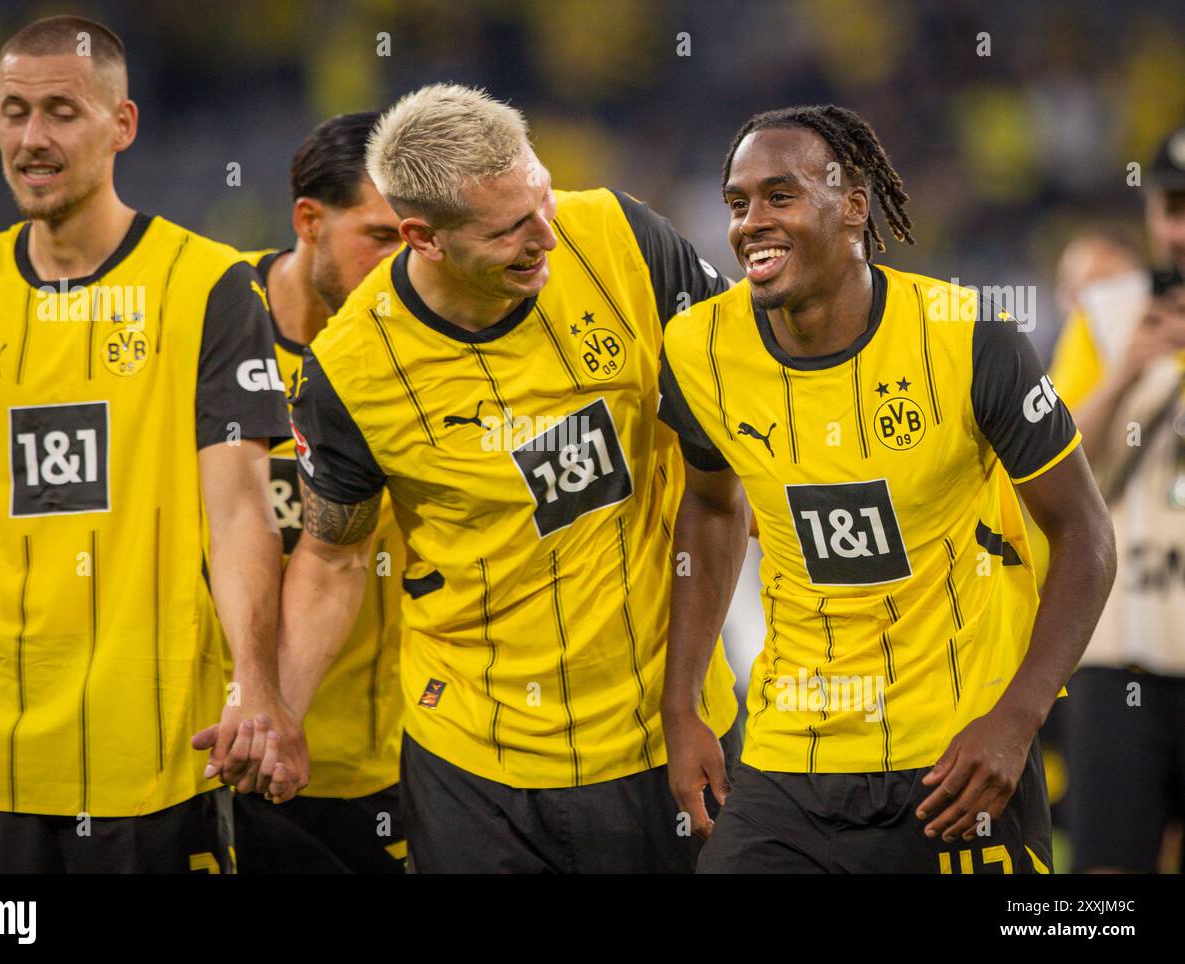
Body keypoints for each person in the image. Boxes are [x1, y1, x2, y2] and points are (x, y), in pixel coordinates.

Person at [272, 83, 740, 873]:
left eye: (544, 199)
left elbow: (726, 463)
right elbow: (332, 559)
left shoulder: (623, 237)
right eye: (511, 229)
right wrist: (279, 710)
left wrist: (686, 701)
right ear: (421, 236)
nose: (548, 237)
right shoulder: (350, 370)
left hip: (662, 731)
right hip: (472, 767)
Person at [0, 14, 297, 872]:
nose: (31, 138)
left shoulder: (207, 287)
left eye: (61, 112)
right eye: (12, 111)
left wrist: (257, 684)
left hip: (151, 767)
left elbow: (240, 514)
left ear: (123, 125)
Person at [660, 104, 1116, 873]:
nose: (750, 224)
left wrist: (1015, 722)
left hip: (956, 759)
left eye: (781, 196)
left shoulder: (970, 339)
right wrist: (683, 708)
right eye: (738, 204)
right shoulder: (699, 349)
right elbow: (708, 506)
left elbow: (1086, 535)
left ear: (853, 206)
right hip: (789, 757)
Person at [231, 113, 409, 873]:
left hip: (390, 763)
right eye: (380, 235)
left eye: (415, 235)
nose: (405, 261)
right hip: (225, 750)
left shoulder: (429, 336)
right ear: (309, 220)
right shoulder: (207, 323)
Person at [1047, 125, 1185, 873]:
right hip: (1120, 653)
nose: (1181, 228)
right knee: (1104, 886)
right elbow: (1049, 464)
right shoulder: (1108, 314)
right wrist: (1126, 371)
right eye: (1171, 205)